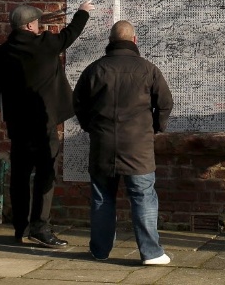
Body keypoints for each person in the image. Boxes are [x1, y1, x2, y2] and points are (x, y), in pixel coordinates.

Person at [0, 0, 95, 248]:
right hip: (44, 124)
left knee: (20, 176)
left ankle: (20, 228)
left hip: (17, 125)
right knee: (46, 174)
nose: (39, 26)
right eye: (36, 22)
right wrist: (82, 12)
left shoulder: (0, 53)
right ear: (28, 26)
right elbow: (71, 34)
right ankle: (40, 227)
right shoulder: (44, 45)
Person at [73, 20, 174, 265]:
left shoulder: (94, 69)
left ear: (110, 41)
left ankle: (100, 250)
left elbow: (78, 103)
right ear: (134, 40)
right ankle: (151, 252)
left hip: (103, 144)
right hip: (138, 145)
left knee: (102, 198)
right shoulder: (148, 69)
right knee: (142, 196)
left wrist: (91, 128)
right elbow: (165, 103)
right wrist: (155, 127)